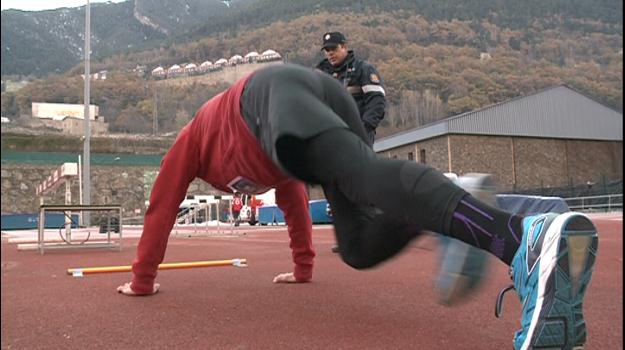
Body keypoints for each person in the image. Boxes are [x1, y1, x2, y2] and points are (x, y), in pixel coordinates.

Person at [117, 64, 598, 350]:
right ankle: (462, 201)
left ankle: (518, 238)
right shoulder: (280, 158)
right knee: (359, 246)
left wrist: (143, 281)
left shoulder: (189, 143)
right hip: (315, 102)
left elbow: (161, 207)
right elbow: (293, 202)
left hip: (267, 95)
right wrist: (303, 269)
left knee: (366, 178)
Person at [316, 31, 387, 253]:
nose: (330, 54)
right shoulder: (319, 73)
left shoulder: (364, 70)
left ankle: (376, 231)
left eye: (334, 49)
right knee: (335, 189)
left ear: (345, 47)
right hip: (331, 138)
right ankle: (349, 236)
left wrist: (363, 130)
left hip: (358, 136)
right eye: (327, 50)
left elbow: (377, 102)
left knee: (360, 183)